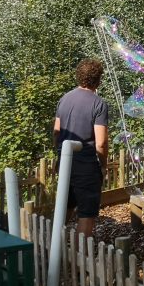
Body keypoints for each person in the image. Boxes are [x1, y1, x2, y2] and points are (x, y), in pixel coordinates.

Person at [54, 58, 109, 239]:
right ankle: (78, 262)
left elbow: (56, 132)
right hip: (86, 166)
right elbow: (100, 143)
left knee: (65, 205)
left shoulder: (64, 99)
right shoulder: (98, 103)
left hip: (65, 162)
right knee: (87, 214)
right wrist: (103, 164)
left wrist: (59, 156)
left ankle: (53, 248)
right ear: (98, 79)